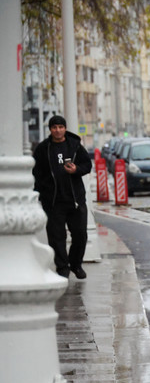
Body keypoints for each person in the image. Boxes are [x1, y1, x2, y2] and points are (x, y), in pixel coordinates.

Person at [32, 115, 92, 279]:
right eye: (54, 128)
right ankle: (62, 268)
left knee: (80, 234)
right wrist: (40, 193)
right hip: (53, 202)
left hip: (75, 200)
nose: (57, 130)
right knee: (57, 237)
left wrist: (76, 170)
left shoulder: (74, 146)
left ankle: (76, 264)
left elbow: (87, 165)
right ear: (50, 130)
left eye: (60, 127)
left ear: (65, 128)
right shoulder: (43, 149)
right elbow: (36, 173)